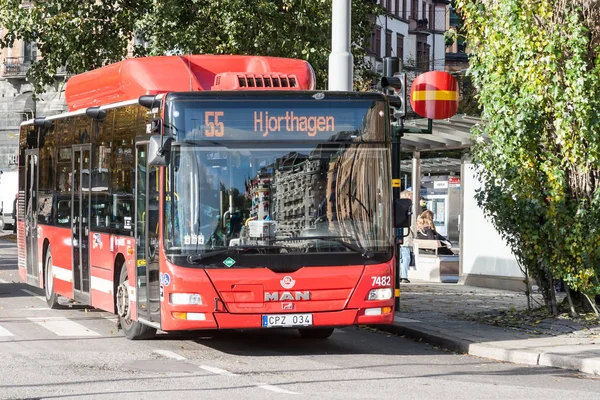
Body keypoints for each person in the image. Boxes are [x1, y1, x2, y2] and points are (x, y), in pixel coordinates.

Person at [398, 190, 414, 283]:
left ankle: (399, 275)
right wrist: (413, 234)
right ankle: (404, 276)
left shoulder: (397, 208)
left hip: (398, 235)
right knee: (406, 257)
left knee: (400, 257)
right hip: (407, 235)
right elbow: (412, 225)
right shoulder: (409, 208)